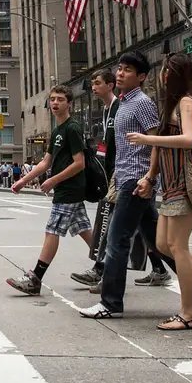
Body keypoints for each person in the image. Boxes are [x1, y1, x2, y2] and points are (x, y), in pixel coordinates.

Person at [78, 51, 192, 321]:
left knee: (117, 241)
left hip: (136, 180)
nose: (120, 73)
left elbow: (155, 141)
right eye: (119, 69)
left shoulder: (143, 103)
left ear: (142, 77)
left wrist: (149, 177)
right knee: (162, 245)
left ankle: (110, 303)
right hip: (128, 178)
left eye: (127, 70)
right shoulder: (124, 103)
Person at [125, 53, 192, 331]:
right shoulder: (170, 104)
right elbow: (161, 148)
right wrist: (150, 177)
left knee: (177, 247)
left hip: (185, 185)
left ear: (176, 74)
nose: (163, 76)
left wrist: (147, 137)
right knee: (163, 245)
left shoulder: (186, 102)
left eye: (167, 71)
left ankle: (187, 314)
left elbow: (188, 139)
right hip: (169, 184)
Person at [72, 68, 171, 290]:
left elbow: (153, 141)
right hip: (120, 175)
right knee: (149, 232)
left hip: (131, 176)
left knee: (115, 232)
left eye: (97, 83)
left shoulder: (127, 105)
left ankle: (103, 277)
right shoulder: (110, 109)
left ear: (110, 85)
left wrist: (149, 176)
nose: (94, 87)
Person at [5, 85, 94, 295]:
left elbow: (79, 163)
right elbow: (46, 162)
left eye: (60, 99)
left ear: (69, 104)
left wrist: (53, 180)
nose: (55, 103)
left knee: (52, 231)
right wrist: (22, 181)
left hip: (69, 189)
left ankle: (35, 279)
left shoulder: (72, 128)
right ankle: (108, 265)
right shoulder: (57, 131)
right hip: (66, 189)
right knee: (84, 230)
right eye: (53, 99)